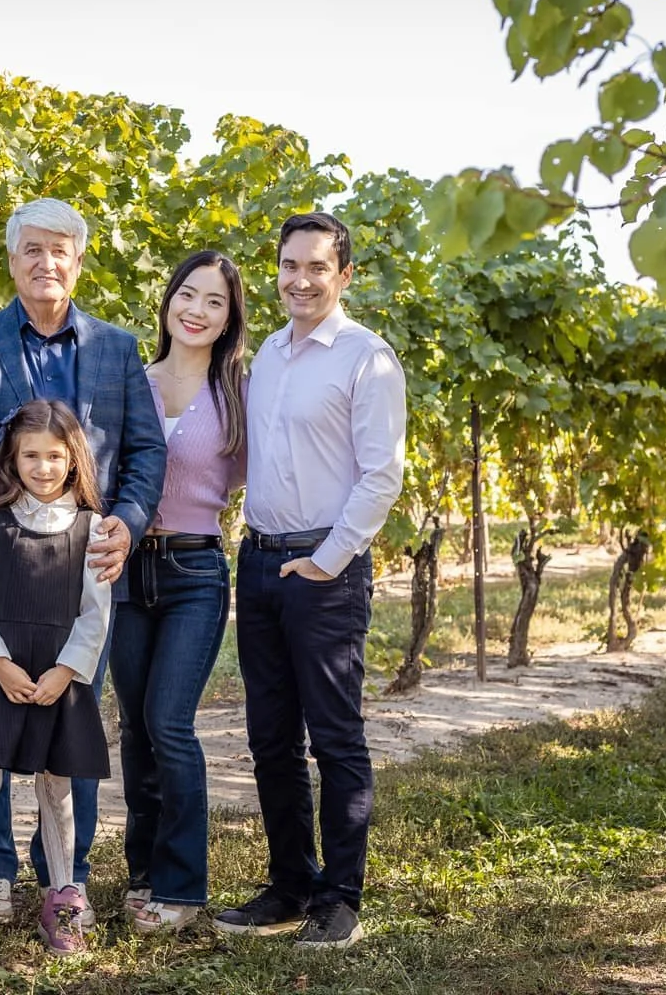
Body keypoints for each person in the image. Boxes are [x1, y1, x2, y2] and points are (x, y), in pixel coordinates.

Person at [0, 198, 166, 922]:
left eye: (60, 250)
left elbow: (147, 451)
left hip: (84, 567)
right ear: (11, 259)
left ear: (79, 260)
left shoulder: (116, 350)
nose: (46, 262)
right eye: (32, 249)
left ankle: (68, 880)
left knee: (72, 723)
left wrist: (121, 525)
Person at [212, 212, 406, 950]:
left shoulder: (366, 358)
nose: (301, 278)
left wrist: (330, 557)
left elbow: (382, 473)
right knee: (269, 738)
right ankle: (290, 884)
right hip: (259, 562)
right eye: (290, 265)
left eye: (317, 266)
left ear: (344, 275)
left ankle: (340, 900)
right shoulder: (269, 352)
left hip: (323, 569)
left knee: (335, 738)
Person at [0, 400, 112, 956]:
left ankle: (62, 895)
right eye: (30, 455)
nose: (42, 467)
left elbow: (96, 611)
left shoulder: (93, 527)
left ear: (74, 459)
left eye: (54, 456)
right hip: (3, 671)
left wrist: (65, 670)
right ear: (13, 459)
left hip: (60, 674)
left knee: (57, 785)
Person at [110, 250, 249, 933]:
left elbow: (264, 476)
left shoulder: (239, 394)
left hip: (195, 569)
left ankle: (184, 886)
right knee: (135, 727)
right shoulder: (132, 382)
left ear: (229, 319)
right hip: (126, 569)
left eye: (214, 302)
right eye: (187, 295)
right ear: (168, 303)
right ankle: (144, 871)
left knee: (169, 721)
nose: (196, 311)